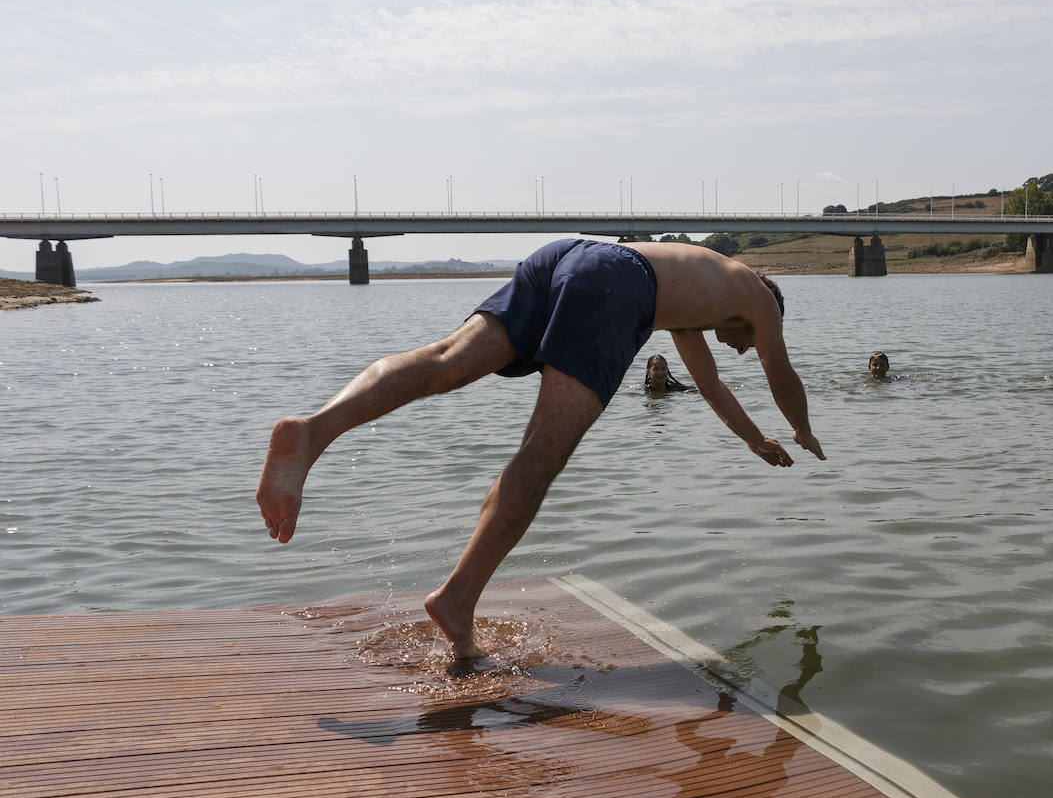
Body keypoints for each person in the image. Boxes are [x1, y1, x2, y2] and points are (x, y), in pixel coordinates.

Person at [256, 238, 825, 659]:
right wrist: (802, 428)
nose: (746, 349)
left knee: (445, 361)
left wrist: (754, 439)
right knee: (541, 455)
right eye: (748, 340)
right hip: (614, 286)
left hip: (568, 257)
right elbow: (781, 368)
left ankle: (313, 429)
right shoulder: (756, 292)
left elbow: (710, 385)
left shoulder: (693, 296)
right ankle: (456, 597)